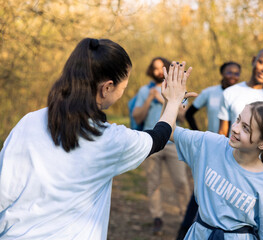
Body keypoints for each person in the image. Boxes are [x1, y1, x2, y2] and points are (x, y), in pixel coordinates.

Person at [0, 38, 194, 239]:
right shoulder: (109, 140)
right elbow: (158, 137)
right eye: (124, 86)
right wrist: (174, 101)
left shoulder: (28, 122)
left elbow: (4, 191)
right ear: (107, 88)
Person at [169, 100, 263, 239]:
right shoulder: (210, 144)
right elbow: (169, 131)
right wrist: (171, 99)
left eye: (246, 128)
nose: (235, 128)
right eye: (238, 120)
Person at [218, 48, 263, 207]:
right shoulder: (230, 93)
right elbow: (222, 134)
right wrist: (220, 167)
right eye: (262, 63)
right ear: (254, 60)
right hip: (234, 170)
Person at [176, 61, 241, 239]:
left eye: (237, 73)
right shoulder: (210, 93)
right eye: (229, 72)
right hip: (212, 149)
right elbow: (189, 113)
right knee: (201, 191)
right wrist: (199, 134)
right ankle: (184, 231)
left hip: (237, 153)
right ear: (222, 73)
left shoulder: (241, 94)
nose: (233, 76)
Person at [132, 57, 190, 235]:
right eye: (155, 68)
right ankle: (157, 218)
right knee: (154, 182)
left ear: (166, 69)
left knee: (181, 182)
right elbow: (137, 117)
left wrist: (168, 100)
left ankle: (187, 218)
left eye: (161, 68)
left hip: (173, 142)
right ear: (151, 71)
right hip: (151, 141)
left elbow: (182, 116)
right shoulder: (144, 91)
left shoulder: (178, 89)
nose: (158, 71)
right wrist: (150, 99)